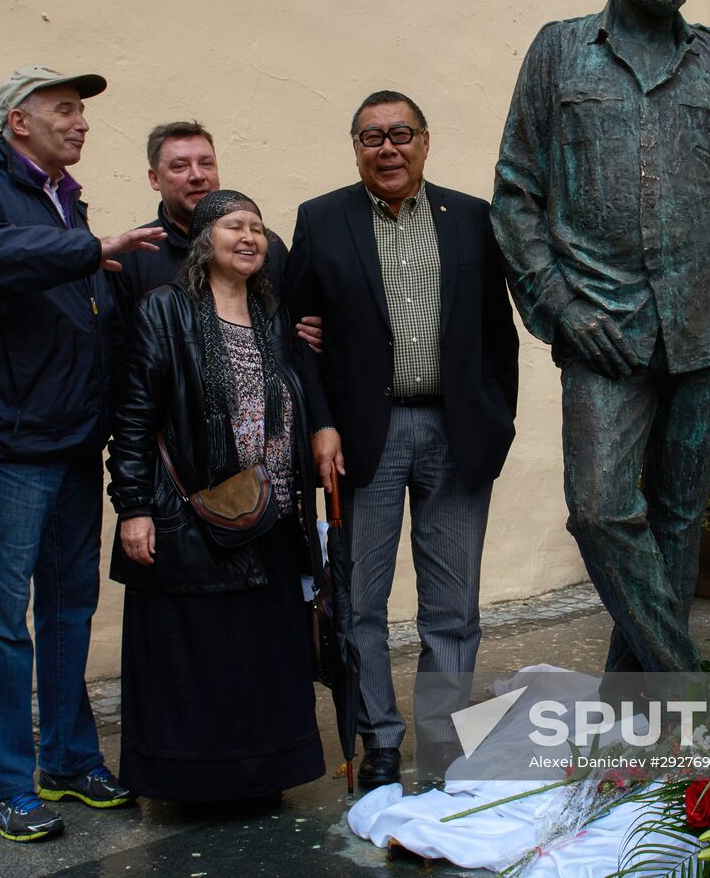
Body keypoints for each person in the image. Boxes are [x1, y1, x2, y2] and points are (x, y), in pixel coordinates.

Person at [490, 0, 710, 675]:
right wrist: (559, 305)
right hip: (603, 327)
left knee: (675, 524)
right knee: (598, 511)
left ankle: (639, 710)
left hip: (708, 323)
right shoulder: (559, 53)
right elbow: (517, 195)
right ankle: (691, 690)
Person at [0, 66, 165, 841]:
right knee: (0, 621)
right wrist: (82, 250)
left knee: (69, 610)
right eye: (65, 110)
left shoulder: (65, 199)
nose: (81, 123)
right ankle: (1, 783)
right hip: (7, 443)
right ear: (18, 121)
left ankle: (66, 760)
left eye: (82, 113)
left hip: (70, 441)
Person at [285, 90, 519, 788]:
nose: (387, 148)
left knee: (453, 607)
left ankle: (444, 747)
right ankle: (379, 741)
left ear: (424, 141)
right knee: (362, 603)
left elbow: (499, 337)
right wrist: (322, 423)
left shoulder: (474, 220)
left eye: (400, 133)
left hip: (457, 434)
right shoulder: (322, 221)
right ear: (355, 147)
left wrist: (495, 421)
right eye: (370, 137)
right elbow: (299, 338)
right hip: (363, 440)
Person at [106, 189, 325, 804]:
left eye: (257, 226)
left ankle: (263, 775)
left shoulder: (272, 315)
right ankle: (195, 781)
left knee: (261, 657)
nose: (250, 237)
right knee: (200, 656)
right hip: (195, 519)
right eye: (235, 226)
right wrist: (133, 507)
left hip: (273, 516)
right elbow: (133, 416)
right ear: (205, 241)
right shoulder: (165, 310)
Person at [111, 120, 322, 351]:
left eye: (206, 163)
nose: (198, 175)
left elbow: (297, 323)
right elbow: (120, 349)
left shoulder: (265, 247)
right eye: (180, 166)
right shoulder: (133, 255)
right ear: (154, 179)